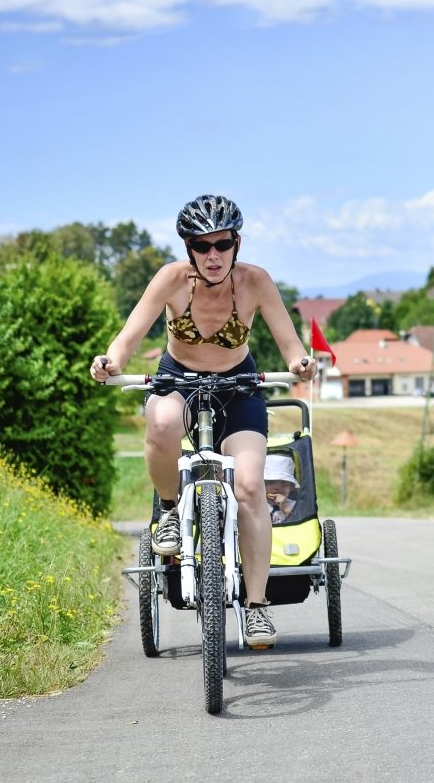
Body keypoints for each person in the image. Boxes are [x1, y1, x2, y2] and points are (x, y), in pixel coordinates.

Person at [90, 194, 315, 649]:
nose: (213, 255)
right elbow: (130, 334)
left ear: (236, 243)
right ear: (188, 247)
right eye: (202, 245)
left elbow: (290, 345)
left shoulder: (256, 282)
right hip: (179, 379)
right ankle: (171, 510)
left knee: (250, 486)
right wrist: (110, 362)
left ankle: (255, 607)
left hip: (239, 385)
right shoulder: (171, 280)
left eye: (223, 244)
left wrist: (300, 364)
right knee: (163, 420)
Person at [263, 454, 299, 525]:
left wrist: (285, 507)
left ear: (291, 487)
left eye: (283, 482)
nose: (277, 487)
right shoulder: (258, 506)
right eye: (270, 482)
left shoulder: (295, 506)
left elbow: (301, 526)